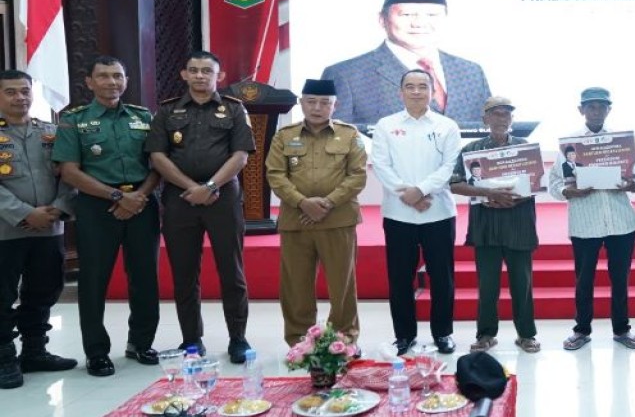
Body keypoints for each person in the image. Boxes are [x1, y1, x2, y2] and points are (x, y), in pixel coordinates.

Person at [54, 56, 162, 377]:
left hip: (142, 203)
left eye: (118, 76)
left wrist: (139, 196)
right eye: (103, 76)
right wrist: (117, 196)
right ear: (89, 82)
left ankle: (140, 343)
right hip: (97, 207)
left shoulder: (144, 117)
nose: (111, 82)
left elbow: (157, 163)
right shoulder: (74, 120)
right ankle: (97, 352)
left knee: (144, 278)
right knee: (93, 280)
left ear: (126, 80)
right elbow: (69, 172)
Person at [146, 50, 255, 362]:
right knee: (184, 273)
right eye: (193, 70)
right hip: (180, 199)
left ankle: (238, 338)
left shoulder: (233, 109)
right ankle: (191, 340)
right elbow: (157, 157)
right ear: (184, 74)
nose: (199, 76)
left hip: (223, 198)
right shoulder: (167, 111)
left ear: (218, 76)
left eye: (207, 71)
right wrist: (192, 187)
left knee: (231, 271)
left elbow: (241, 156)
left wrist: (209, 186)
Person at [265, 78, 367, 347]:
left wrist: (327, 204)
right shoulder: (285, 136)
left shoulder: (350, 135)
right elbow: (275, 175)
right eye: (311, 101)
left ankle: (343, 342)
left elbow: (357, 176)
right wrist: (303, 203)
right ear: (301, 103)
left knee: (342, 287)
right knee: (296, 287)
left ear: (335, 105)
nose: (317, 108)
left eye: (325, 103)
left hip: (338, 221)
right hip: (296, 221)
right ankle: (300, 343)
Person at [322, 0, 491, 134]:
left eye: (431, 15)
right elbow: (332, 143)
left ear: (445, 18)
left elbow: (490, 137)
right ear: (382, 19)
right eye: (407, 14)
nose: (419, 23)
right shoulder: (346, 75)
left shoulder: (471, 72)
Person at [371, 69, 463, 356]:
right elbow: (381, 166)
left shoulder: (447, 125)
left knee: (442, 277)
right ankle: (404, 335)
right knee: (399, 277)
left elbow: (449, 168)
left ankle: (443, 333)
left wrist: (421, 191)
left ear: (432, 91)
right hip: (399, 214)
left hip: (438, 212)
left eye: (422, 86)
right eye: (409, 87)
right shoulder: (385, 125)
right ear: (400, 92)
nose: (416, 92)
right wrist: (408, 194)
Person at [550, 87, 635, 351]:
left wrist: (630, 185)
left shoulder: (621, 142)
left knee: (620, 278)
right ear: (581, 110)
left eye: (601, 106)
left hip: (621, 220)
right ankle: (581, 330)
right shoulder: (568, 144)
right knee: (584, 279)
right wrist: (570, 191)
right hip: (584, 220)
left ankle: (622, 329)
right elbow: (555, 183)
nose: (596, 111)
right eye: (590, 106)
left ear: (608, 110)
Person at [0, 70, 76, 388]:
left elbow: (70, 176)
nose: (21, 97)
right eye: (11, 92)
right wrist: (25, 213)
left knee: (44, 289)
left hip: (49, 228)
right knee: (2, 295)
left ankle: (35, 350)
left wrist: (59, 208)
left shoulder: (52, 132)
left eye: (25, 91)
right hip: (6, 230)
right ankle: (4, 357)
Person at [450, 96, 540, 354]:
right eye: (496, 114)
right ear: (485, 119)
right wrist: (490, 194)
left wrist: (515, 196)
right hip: (486, 226)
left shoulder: (525, 147)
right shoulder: (472, 149)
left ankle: (526, 335)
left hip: (519, 223)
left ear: (512, 118)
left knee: (522, 285)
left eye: (506, 114)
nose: (501, 118)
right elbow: (455, 184)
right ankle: (486, 334)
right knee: (487, 285)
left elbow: (538, 184)